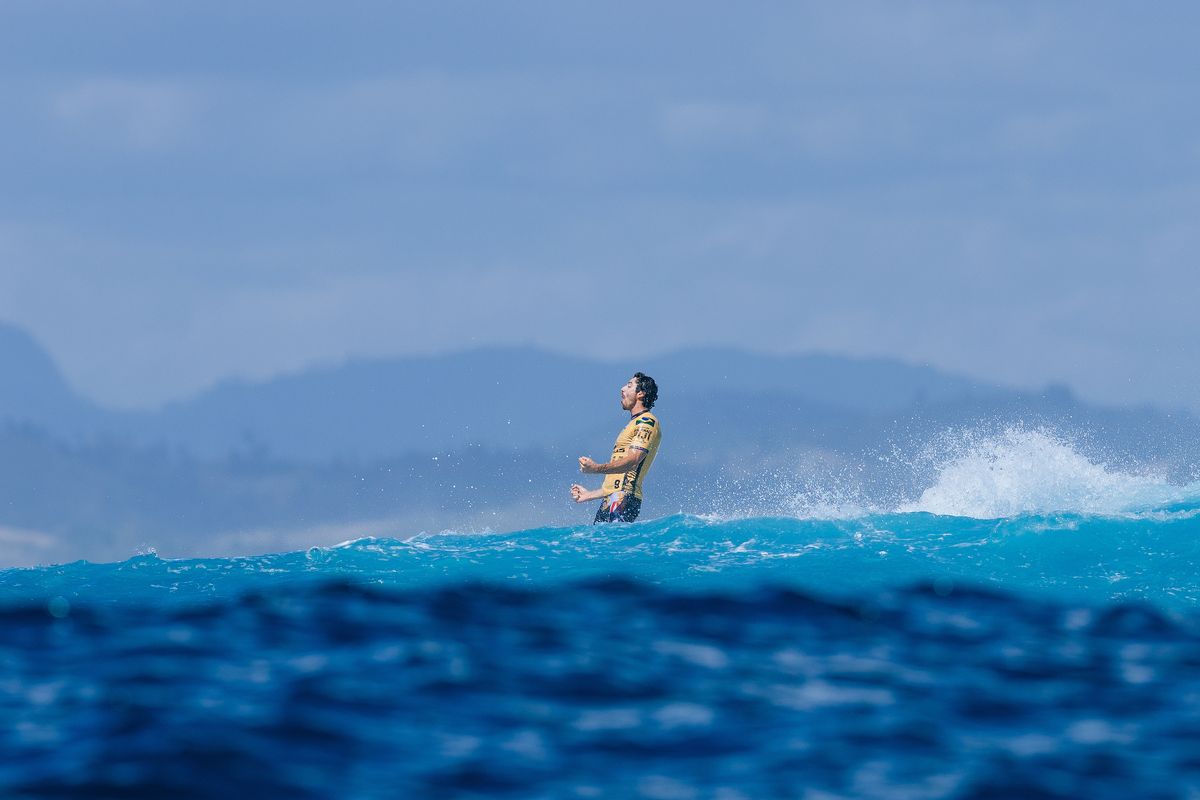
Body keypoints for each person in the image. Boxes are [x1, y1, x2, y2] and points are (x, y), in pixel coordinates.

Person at [571, 372, 662, 523]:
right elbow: (619, 479)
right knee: (599, 545)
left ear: (640, 393)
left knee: (613, 543)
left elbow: (633, 460)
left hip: (623, 498)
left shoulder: (646, 422)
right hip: (613, 498)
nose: (622, 389)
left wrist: (596, 468)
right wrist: (589, 495)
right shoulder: (632, 424)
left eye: (629, 385)